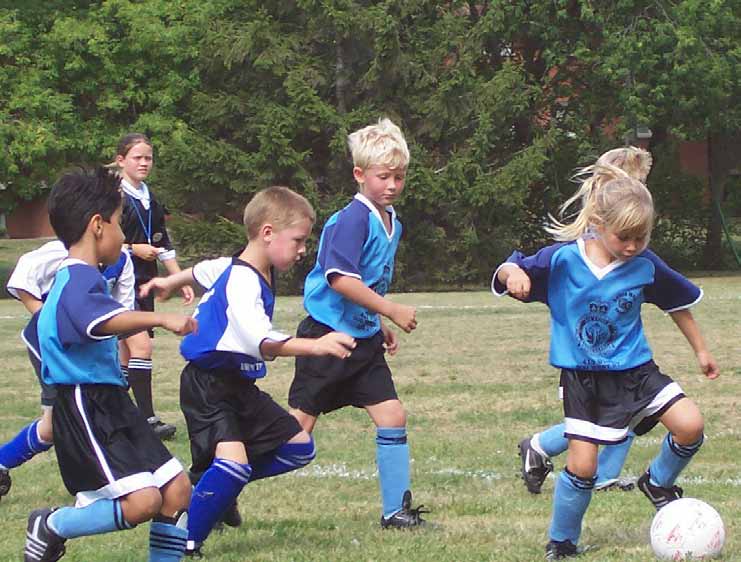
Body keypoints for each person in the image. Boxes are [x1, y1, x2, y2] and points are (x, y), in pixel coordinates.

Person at [492, 164, 719, 559]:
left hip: (636, 371)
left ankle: (658, 482)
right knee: (583, 468)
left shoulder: (645, 264)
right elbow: (512, 265)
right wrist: (513, 274)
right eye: (624, 237)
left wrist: (701, 350)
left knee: (690, 426)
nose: (632, 246)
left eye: (641, 237)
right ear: (597, 223)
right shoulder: (562, 259)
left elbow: (677, 304)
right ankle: (562, 542)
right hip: (584, 380)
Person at [139, 186, 356, 556]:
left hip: (239, 386)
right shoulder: (243, 280)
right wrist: (317, 345)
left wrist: (168, 281)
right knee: (234, 466)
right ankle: (186, 540)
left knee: (299, 448)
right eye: (298, 240)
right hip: (208, 384)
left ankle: (213, 486)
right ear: (268, 233)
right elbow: (262, 341)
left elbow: (203, 270)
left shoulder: (241, 266)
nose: (303, 250)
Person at [23, 168, 196, 562]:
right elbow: (96, 321)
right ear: (97, 226)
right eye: (119, 224)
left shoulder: (89, 278)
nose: (123, 236)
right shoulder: (76, 278)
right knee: (142, 502)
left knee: (177, 490)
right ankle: (51, 525)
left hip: (113, 398)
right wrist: (159, 319)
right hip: (86, 404)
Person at [287, 118, 428, 529]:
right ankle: (223, 485)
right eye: (384, 176)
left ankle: (395, 511)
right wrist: (390, 310)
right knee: (297, 434)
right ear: (359, 174)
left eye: (399, 177)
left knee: (392, 416)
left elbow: (367, 281)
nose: (393, 185)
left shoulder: (392, 221)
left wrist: (374, 321)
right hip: (326, 340)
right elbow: (340, 278)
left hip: (362, 342)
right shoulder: (351, 219)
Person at [514, 147, 654, 495]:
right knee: (606, 417)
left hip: (621, 351)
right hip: (585, 358)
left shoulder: (631, 245)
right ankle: (547, 448)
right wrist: (514, 274)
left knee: (633, 409)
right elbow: (528, 267)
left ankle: (571, 458)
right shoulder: (583, 251)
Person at [0, 240, 134, 502]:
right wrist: (47, 318)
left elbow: (121, 318)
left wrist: (122, 369)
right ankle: (101, 485)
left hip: (88, 354)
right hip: (50, 348)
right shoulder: (64, 250)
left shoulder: (123, 260)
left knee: (56, 427)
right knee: (75, 418)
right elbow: (22, 278)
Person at [112, 132, 194, 439]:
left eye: (148, 158)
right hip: (118, 284)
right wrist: (133, 249)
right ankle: (146, 420)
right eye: (137, 157)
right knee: (141, 346)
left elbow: (163, 243)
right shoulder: (114, 197)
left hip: (143, 283)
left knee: (125, 353)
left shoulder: (151, 199)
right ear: (121, 160)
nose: (144, 163)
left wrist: (177, 278)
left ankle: (111, 411)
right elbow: (96, 239)